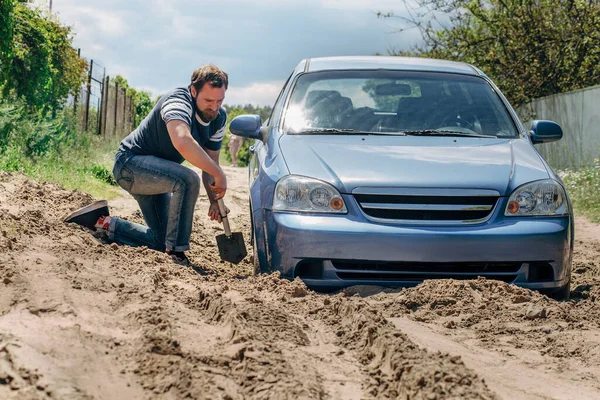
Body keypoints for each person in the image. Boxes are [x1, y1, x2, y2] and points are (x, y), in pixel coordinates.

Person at [64, 64, 230, 266]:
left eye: (220, 101)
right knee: (188, 180)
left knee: (160, 241)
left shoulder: (218, 118)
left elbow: (211, 165)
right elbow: (183, 141)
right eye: (208, 100)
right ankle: (176, 255)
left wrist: (215, 200)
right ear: (193, 91)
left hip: (158, 177)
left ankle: (101, 222)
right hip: (130, 166)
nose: (214, 107)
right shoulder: (178, 102)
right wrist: (218, 172)